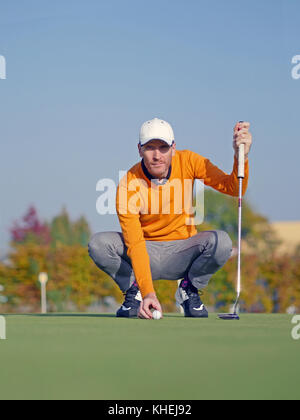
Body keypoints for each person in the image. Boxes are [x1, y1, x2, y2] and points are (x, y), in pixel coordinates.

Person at [89, 118, 252, 319]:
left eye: (163, 147)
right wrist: (148, 291)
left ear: (173, 148)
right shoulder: (128, 183)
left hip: (183, 251)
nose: (157, 155)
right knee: (99, 244)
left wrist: (240, 156)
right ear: (139, 149)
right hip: (144, 252)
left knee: (222, 242)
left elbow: (233, 187)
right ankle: (135, 292)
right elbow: (135, 243)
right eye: (150, 148)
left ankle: (188, 289)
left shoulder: (190, 161)